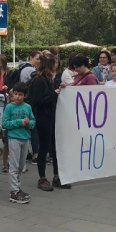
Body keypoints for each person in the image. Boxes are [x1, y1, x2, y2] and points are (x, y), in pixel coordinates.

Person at [28, 53, 70, 191]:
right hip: (43, 118)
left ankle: (57, 176)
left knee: (55, 147)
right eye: (55, 63)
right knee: (45, 147)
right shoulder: (40, 80)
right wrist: (54, 94)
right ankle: (42, 177)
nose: (57, 65)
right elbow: (37, 101)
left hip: (50, 116)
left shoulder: (48, 79)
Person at [2, 83, 36, 204]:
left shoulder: (27, 107)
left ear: (25, 96)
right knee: (14, 165)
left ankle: (18, 187)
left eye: (20, 95)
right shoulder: (9, 107)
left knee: (21, 166)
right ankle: (14, 191)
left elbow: (33, 121)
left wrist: (29, 123)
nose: (17, 97)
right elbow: (5, 123)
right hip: (14, 138)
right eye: (15, 94)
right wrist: (19, 122)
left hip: (25, 138)